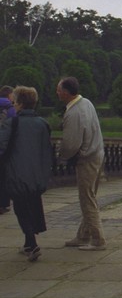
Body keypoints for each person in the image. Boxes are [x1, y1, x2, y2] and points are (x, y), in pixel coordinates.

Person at [0, 86, 53, 262]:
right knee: (32, 205)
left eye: (15, 102)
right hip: (37, 174)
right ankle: (29, 243)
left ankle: (31, 242)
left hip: (17, 172)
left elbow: (2, 147)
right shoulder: (43, 123)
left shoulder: (12, 123)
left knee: (20, 208)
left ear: (20, 104)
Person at [56, 76, 106, 251]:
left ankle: (98, 240)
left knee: (87, 199)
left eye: (58, 90)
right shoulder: (87, 102)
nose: (57, 93)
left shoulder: (73, 112)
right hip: (97, 154)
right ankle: (83, 236)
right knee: (89, 196)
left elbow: (70, 144)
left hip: (87, 159)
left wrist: (60, 156)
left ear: (66, 92)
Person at [0, 85, 17, 214]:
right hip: (5, 148)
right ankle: (3, 204)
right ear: (9, 95)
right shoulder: (11, 108)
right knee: (4, 176)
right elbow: (14, 126)